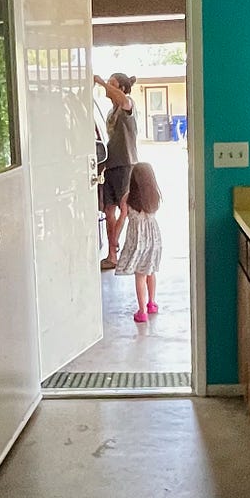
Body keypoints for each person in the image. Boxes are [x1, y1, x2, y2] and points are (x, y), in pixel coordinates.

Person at [96, 72, 138, 270]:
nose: (107, 88)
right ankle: (112, 255)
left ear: (121, 88)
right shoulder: (111, 112)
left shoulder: (127, 105)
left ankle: (117, 248)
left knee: (124, 207)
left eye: (113, 84)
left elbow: (124, 100)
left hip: (125, 163)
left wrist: (101, 82)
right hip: (111, 165)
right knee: (108, 209)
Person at [115, 162, 163, 323]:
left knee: (140, 276)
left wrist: (114, 239)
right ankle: (152, 303)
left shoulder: (127, 199)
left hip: (137, 243)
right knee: (151, 272)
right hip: (154, 241)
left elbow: (121, 220)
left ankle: (142, 311)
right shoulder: (154, 197)